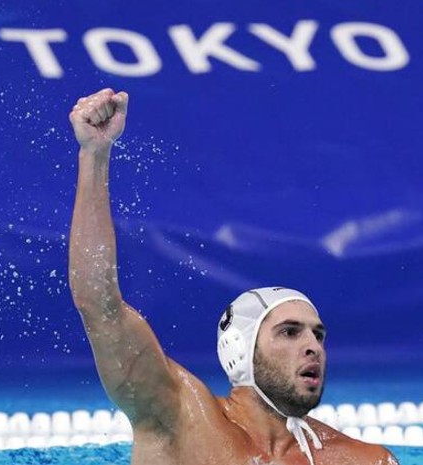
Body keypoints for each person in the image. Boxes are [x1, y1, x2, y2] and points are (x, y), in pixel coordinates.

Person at [68, 88, 398, 465]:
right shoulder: (179, 419)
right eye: (290, 332)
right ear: (240, 351)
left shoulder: (365, 460)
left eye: (318, 335)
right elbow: (99, 306)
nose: (313, 347)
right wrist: (94, 155)